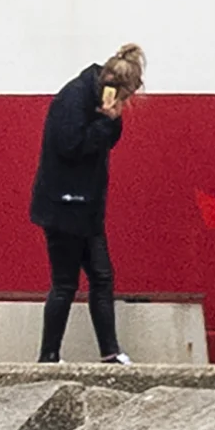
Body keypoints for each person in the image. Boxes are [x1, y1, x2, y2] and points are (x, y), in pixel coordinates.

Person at [32, 43, 144, 365]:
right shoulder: (73, 98)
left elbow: (106, 140)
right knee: (65, 283)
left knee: (101, 277)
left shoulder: (97, 97)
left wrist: (110, 121)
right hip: (64, 206)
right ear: (114, 86)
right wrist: (105, 123)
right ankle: (49, 355)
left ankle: (110, 351)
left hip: (87, 207)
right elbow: (70, 145)